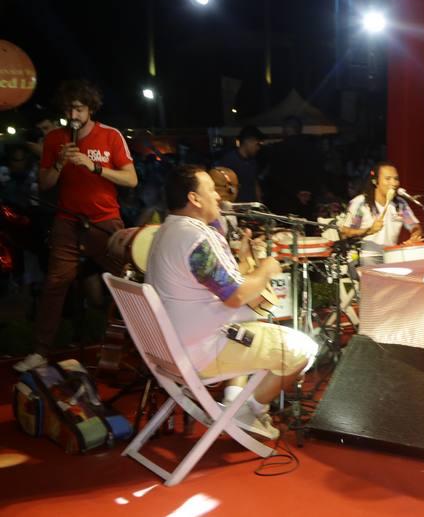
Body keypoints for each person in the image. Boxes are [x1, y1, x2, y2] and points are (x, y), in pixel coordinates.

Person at [145, 165, 318, 438]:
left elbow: (219, 282)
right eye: (211, 190)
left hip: (170, 349)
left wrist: (243, 259)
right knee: (304, 348)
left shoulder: (168, 231)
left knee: (252, 331)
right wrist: (267, 268)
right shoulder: (194, 237)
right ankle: (249, 410)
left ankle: (235, 403)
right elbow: (236, 296)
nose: (218, 197)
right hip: (200, 351)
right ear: (194, 198)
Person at [15, 79, 138, 372]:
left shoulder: (110, 135)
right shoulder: (55, 139)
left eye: (79, 109)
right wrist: (59, 163)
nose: (74, 115)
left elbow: (131, 179)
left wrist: (93, 166)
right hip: (68, 221)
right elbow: (45, 184)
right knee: (55, 285)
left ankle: (143, 345)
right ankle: (40, 352)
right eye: (69, 109)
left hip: (105, 221)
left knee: (127, 283)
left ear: (91, 108)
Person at [340, 162, 423, 265]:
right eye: (388, 179)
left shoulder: (400, 204)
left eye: (396, 179)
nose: (394, 183)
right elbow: (346, 232)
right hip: (368, 255)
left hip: (392, 255)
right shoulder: (361, 203)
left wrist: (414, 236)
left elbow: (414, 226)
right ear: (375, 181)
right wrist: (369, 231)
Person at [218, 126, 263, 203]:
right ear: (248, 141)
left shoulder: (252, 161)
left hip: (252, 206)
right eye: (257, 144)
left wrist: (259, 202)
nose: (258, 148)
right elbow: (222, 187)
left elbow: (255, 182)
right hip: (236, 206)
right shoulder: (229, 160)